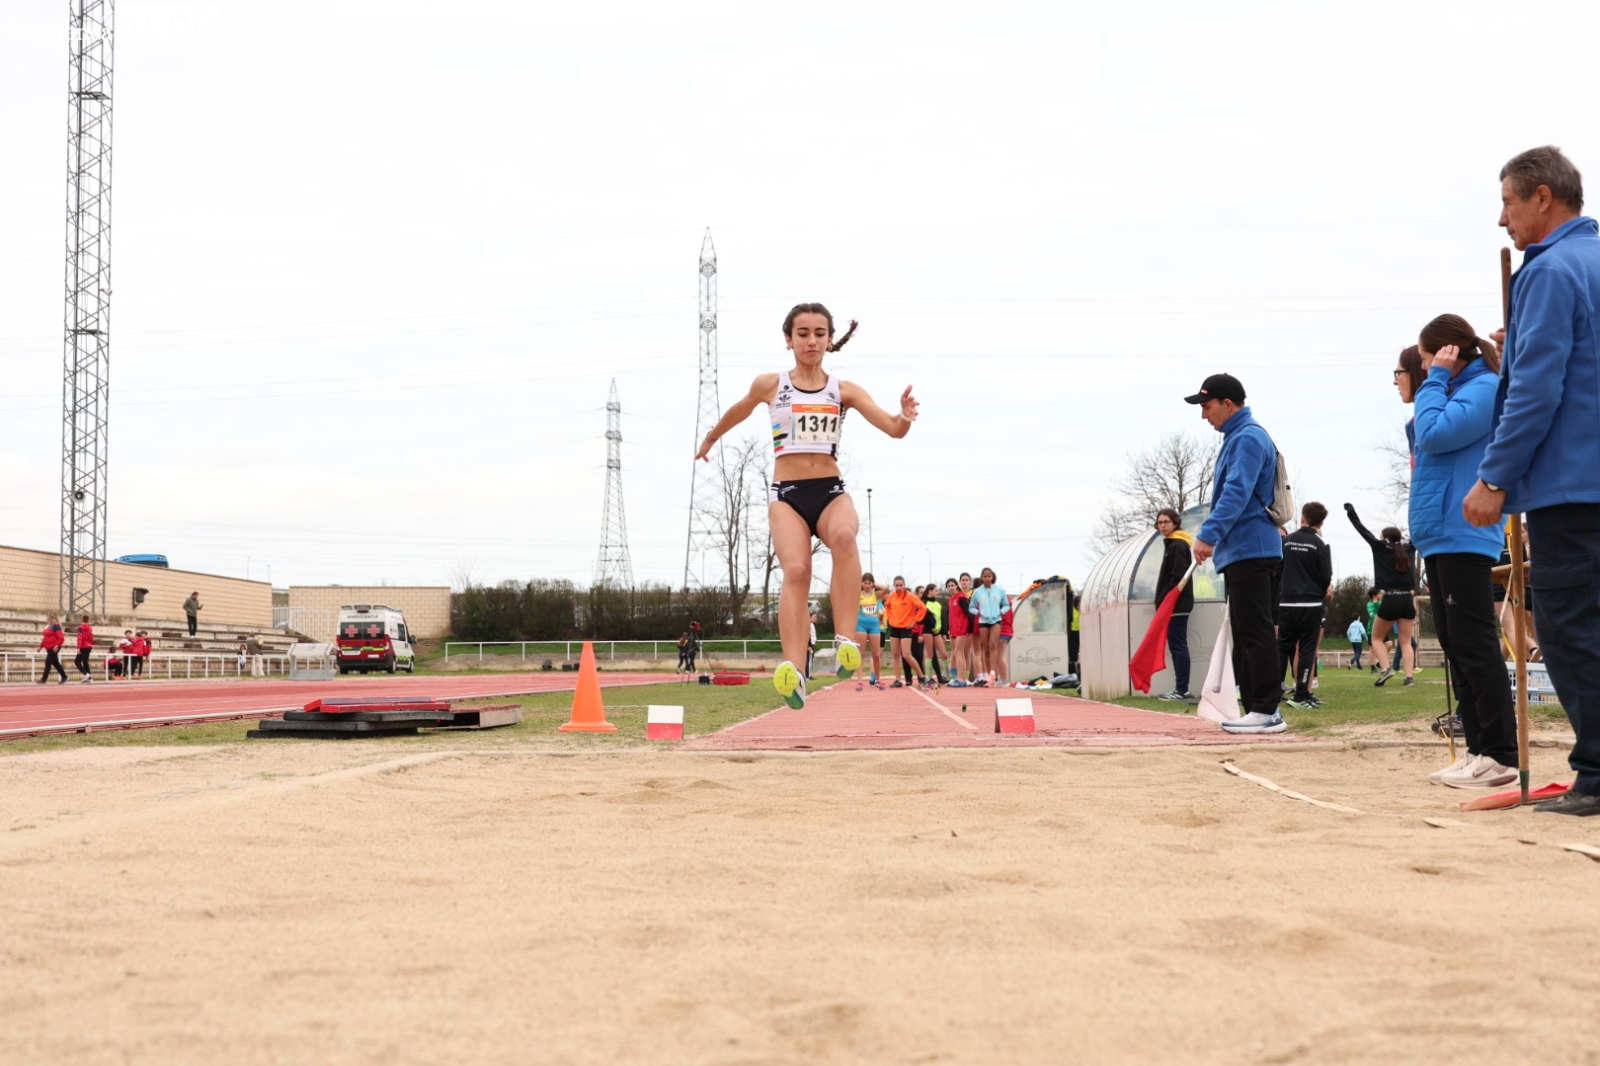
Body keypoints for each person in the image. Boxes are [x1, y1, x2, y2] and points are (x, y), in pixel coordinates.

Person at [1464, 145, 1600, 815]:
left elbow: (1538, 391)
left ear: (1543, 198)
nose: (1502, 219)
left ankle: (1597, 771)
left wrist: (1495, 475)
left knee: (1569, 630)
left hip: (1570, 486)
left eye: (1508, 202)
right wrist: (1514, 349)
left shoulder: (1546, 272)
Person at [696, 302, 918, 709]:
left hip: (830, 490)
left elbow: (892, 428)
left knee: (845, 537)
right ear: (789, 339)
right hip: (787, 494)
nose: (811, 341)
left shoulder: (844, 390)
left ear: (830, 340)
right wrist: (711, 438)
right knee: (796, 571)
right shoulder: (770, 384)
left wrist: (903, 416)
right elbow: (738, 411)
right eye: (802, 333)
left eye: (819, 333)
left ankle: (846, 640)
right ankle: (794, 671)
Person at [1396, 313, 1520, 788]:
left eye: (1428, 358)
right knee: (1456, 644)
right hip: (1441, 532)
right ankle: (1477, 749)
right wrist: (1438, 383)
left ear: (1448, 352)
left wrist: (1435, 381)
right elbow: (1421, 435)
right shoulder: (1454, 389)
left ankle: (1501, 754)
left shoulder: (1483, 388)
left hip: (1463, 530)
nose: (1425, 368)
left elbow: (1433, 434)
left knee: (1475, 645)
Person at [1186, 373, 1286, 733]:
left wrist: (1208, 535)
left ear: (1228, 404)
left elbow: (1237, 492)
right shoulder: (1238, 436)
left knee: (1255, 631)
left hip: (1251, 549)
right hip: (1244, 550)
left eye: (1207, 406)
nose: (1203, 415)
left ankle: (1267, 710)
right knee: (1246, 633)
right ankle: (1258, 708)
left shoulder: (1247, 437)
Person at [1345, 502, 1418, 686]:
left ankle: (1386, 669)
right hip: (1408, 600)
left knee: (1376, 638)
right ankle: (1409, 677)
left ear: (1385, 538)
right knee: (1406, 642)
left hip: (1391, 598)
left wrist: (1351, 512)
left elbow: (1363, 531)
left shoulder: (1380, 547)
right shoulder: (1410, 548)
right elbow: (1420, 531)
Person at [1278, 503, 1333, 710]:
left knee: (1283, 646)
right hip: (1310, 604)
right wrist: (1319, 591)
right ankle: (1301, 694)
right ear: (1321, 523)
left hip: (1286, 602)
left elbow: (1277, 568)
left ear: (1302, 518)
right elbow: (1325, 576)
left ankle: (1274, 691)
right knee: (1307, 649)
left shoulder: (1286, 541)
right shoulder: (1320, 543)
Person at [1153, 507, 1196, 701]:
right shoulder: (1173, 543)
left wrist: (1165, 598)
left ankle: (1182, 689)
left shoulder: (1177, 545)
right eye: (1160, 523)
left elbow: (1177, 576)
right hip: (1174, 604)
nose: (1162, 526)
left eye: (1166, 522)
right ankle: (1180, 687)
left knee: (1178, 645)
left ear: (1175, 523)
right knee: (1176, 645)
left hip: (1176, 604)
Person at [883, 576, 926, 688]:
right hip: (894, 627)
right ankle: (898, 680)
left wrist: (914, 621)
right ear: (894, 585)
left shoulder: (910, 596)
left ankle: (921, 676)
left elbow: (922, 608)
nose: (899, 587)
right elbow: (887, 606)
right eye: (896, 585)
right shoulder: (891, 596)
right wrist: (890, 618)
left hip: (906, 628)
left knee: (906, 654)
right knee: (895, 654)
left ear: (904, 585)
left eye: (900, 585)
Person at [968, 568, 1008, 687]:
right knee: (985, 648)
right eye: (985, 576)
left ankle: (993, 674)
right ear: (981, 578)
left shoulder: (999, 591)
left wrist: (1001, 611)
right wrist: (978, 612)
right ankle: (989, 675)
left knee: (993, 644)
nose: (987, 578)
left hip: (996, 620)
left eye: (989, 576)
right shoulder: (977, 592)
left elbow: (1006, 605)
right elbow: (971, 607)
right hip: (983, 621)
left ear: (992, 577)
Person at [856, 574, 887, 687]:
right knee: (861, 654)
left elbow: (886, 588)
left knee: (876, 655)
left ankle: (878, 680)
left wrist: (876, 586)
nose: (867, 585)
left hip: (874, 625)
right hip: (861, 625)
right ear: (861, 583)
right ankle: (860, 681)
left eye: (869, 583)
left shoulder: (876, 595)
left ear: (872, 584)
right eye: (865, 583)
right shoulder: (857, 595)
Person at [947, 574, 975, 685]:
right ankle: (959, 678)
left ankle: (962, 678)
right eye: (948, 586)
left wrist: (970, 629)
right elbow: (950, 616)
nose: (950, 588)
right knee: (957, 653)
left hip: (961, 629)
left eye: (952, 585)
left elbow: (970, 613)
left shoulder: (961, 597)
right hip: (953, 630)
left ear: (956, 586)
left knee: (960, 653)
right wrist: (948, 629)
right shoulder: (951, 599)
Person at [922, 585, 948, 685]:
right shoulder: (924, 603)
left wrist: (944, 633)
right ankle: (928, 678)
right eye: (936, 590)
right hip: (928, 630)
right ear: (930, 591)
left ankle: (947, 676)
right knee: (930, 654)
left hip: (937, 632)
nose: (938, 592)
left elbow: (942, 619)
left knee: (944, 654)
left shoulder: (938, 604)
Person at [37, 613, 68, 684]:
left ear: (51, 617)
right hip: (48, 647)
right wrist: (40, 646)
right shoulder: (47, 626)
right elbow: (45, 638)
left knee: (48, 662)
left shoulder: (56, 626)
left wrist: (57, 645)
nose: (46, 618)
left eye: (48, 616)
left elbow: (61, 638)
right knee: (55, 663)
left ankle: (44, 679)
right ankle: (64, 676)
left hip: (54, 647)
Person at [73, 615, 95, 683]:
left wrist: (78, 648)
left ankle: (86, 674)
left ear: (82, 620)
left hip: (83, 647)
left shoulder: (80, 628)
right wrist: (90, 644)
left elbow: (80, 638)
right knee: (85, 662)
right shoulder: (90, 628)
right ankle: (90, 678)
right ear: (88, 620)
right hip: (89, 646)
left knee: (77, 661)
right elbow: (91, 637)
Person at [805, 607, 818, 680]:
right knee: (809, 660)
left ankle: (809, 675)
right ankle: (808, 676)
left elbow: (813, 635)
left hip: (812, 645)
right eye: (814, 617)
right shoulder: (808, 625)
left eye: (816, 617)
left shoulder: (813, 625)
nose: (815, 618)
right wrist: (808, 646)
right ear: (810, 617)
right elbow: (807, 636)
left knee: (810, 659)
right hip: (810, 646)